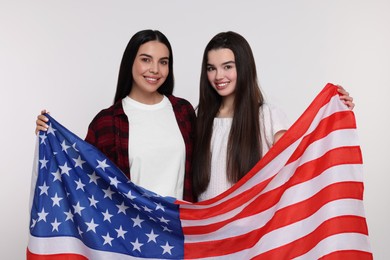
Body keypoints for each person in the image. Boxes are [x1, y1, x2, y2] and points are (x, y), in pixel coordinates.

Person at [35, 29, 196, 202]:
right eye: (145, 60)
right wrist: (48, 136)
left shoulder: (183, 111)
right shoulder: (106, 122)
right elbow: (82, 176)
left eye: (163, 62)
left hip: (180, 224)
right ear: (130, 62)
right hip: (132, 227)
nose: (155, 69)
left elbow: (202, 167)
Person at [192, 31, 354, 201]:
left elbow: (301, 158)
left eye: (228, 66)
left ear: (244, 67)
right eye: (211, 68)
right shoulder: (200, 118)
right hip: (207, 225)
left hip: (250, 225)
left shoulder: (267, 116)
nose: (218, 76)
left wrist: (335, 112)